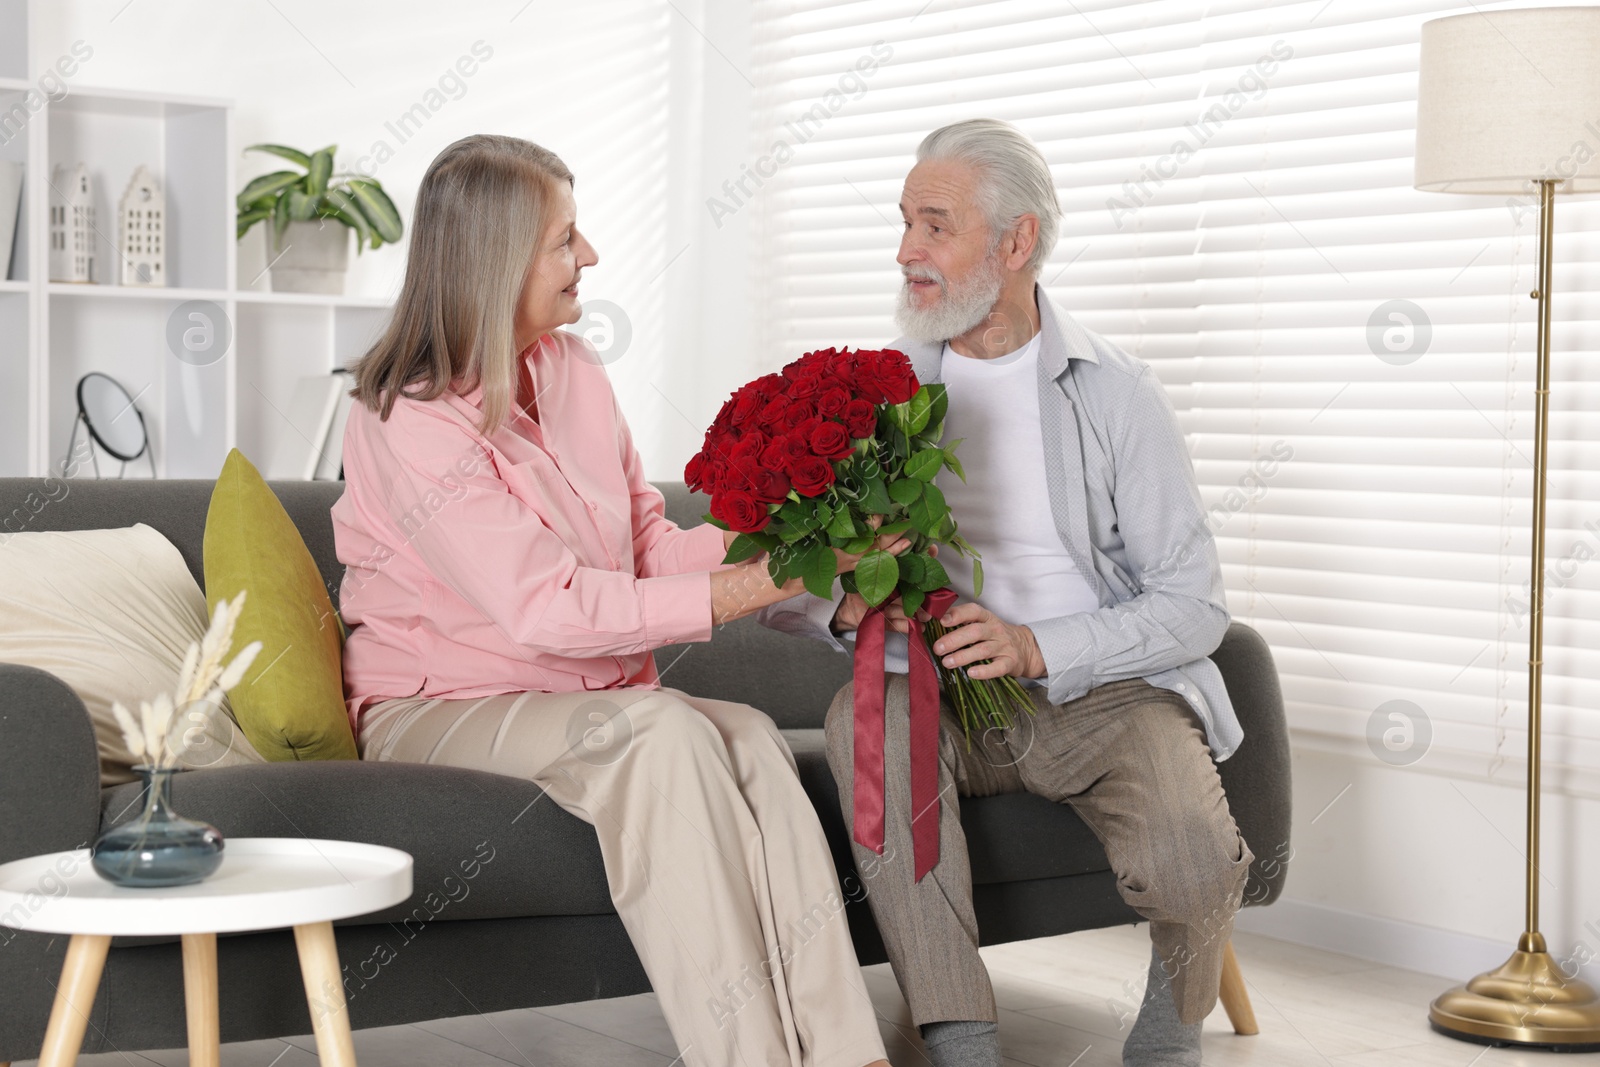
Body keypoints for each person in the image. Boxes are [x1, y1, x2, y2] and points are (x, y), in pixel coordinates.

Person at [330, 133, 897, 1067]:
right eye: (565, 238)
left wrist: (805, 537)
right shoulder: (408, 415)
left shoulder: (573, 369)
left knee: (752, 736)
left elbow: (648, 547)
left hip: (577, 699)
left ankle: (848, 1055)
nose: (587, 255)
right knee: (665, 734)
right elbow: (545, 610)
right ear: (496, 257)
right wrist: (763, 584)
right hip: (438, 707)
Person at [758, 118, 1254, 1067]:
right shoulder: (876, 394)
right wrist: (845, 603)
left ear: (1016, 241)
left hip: (1100, 691)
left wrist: (1037, 647)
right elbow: (781, 582)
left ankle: (1172, 1025)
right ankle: (963, 1042)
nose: (907, 251)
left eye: (935, 225)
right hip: (934, 689)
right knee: (870, 722)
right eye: (905, 222)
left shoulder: (1115, 396)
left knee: (1194, 861)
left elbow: (1194, 606)